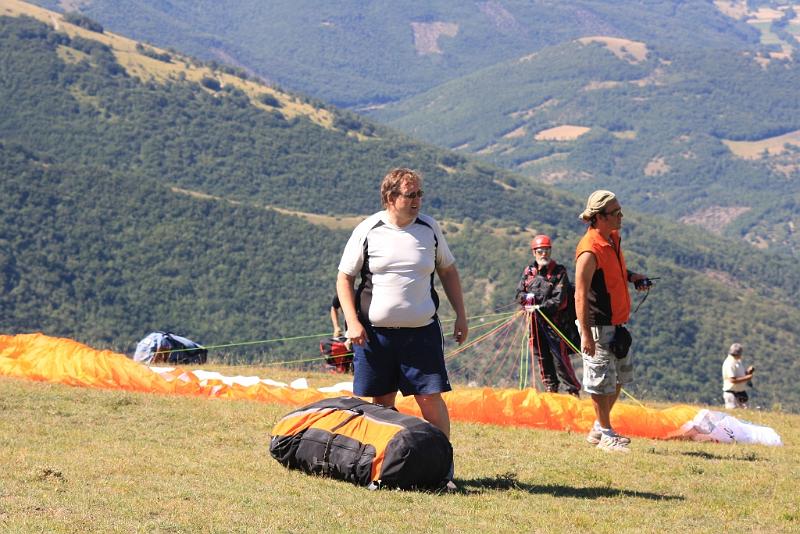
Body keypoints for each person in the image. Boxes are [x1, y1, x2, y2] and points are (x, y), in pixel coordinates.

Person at [336, 167, 468, 487]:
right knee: (381, 406)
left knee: (430, 400)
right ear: (390, 197)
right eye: (411, 195)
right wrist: (352, 322)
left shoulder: (429, 228)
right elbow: (344, 278)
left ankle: (442, 469)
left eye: (420, 194)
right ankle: (382, 469)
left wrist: (461, 315)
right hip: (375, 336)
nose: (417, 201)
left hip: (421, 333)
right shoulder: (368, 229)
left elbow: (448, 271)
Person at [574, 190, 649, 453]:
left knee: (618, 377)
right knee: (599, 381)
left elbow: (614, 272)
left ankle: (599, 428)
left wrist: (633, 277)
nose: (621, 216)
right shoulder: (588, 250)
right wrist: (584, 333)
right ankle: (606, 433)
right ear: (599, 217)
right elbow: (580, 293)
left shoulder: (613, 239)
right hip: (597, 325)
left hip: (617, 324)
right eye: (616, 213)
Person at [515, 234, 581, 396]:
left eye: (546, 251)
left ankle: (572, 391)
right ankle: (551, 391)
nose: (544, 254)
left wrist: (539, 307)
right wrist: (525, 300)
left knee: (560, 359)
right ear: (534, 253)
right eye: (540, 251)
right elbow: (518, 294)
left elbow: (559, 300)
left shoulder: (559, 272)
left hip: (555, 325)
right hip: (535, 325)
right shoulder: (529, 272)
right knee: (542, 358)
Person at [722, 343, 754, 409]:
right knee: (732, 415)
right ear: (738, 353)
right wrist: (747, 377)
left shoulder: (737, 362)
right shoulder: (730, 363)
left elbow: (739, 375)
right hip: (731, 394)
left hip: (740, 393)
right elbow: (732, 380)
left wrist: (748, 372)